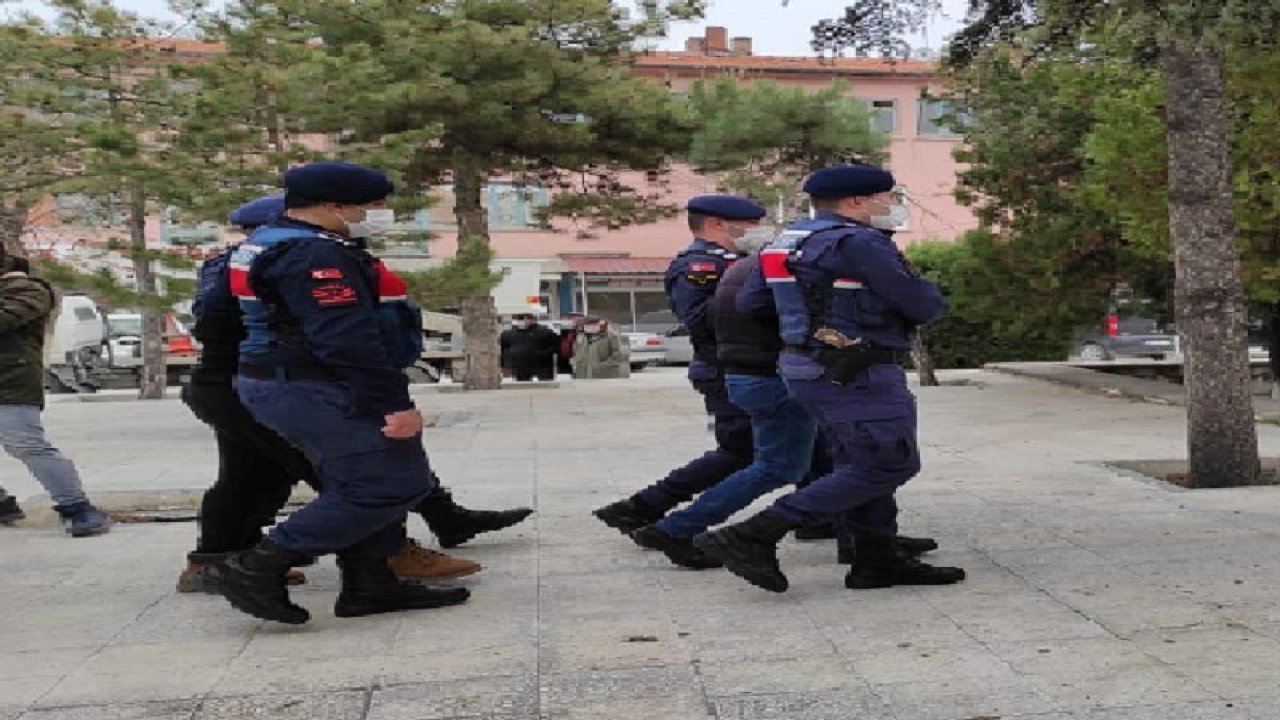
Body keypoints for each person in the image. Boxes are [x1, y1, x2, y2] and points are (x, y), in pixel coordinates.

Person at [178, 195, 520, 594]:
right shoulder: (275, 259)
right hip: (254, 383)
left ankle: (223, 558)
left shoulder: (253, 258)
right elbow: (322, 331)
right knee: (353, 474)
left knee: (259, 476)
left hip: (244, 383)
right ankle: (371, 559)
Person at [206, 162, 472, 624]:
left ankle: (371, 583)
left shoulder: (269, 242)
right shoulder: (313, 256)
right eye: (372, 206)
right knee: (389, 484)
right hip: (315, 384)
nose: (381, 213)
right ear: (334, 206)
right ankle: (255, 566)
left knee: (367, 477)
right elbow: (346, 339)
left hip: (285, 379)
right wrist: (395, 404)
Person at [693, 165, 965, 592]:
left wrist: (810, 324)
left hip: (806, 367)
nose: (891, 206)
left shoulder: (787, 241)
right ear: (856, 202)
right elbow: (923, 305)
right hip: (859, 368)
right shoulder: (859, 242)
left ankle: (875, 557)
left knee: (859, 461)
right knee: (889, 462)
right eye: (887, 198)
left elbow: (753, 302)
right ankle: (755, 534)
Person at [592, 196, 761, 533]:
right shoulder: (701, 265)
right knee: (742, 450)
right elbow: (698, 318)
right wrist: (747, 291)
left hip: (744, 366)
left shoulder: (735, 261)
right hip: (725, 368)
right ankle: (645, 506)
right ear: (716, 224)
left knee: (805, 445)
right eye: (751, 225)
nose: (757, 232)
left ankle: (821, 517)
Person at [0, 246, 111, 537]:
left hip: (10, 382)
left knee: (25, 444)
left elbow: (6, 318)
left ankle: (78, 507)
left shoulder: (28, 289)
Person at [501, 313, 558, 381]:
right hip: (520, 368)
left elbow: (555, 344)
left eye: (528, 318)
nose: (525, 320)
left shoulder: (543, 331)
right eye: (521, 318)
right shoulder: (510, 334)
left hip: (540, 367)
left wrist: (544, 354)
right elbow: (503, 349)